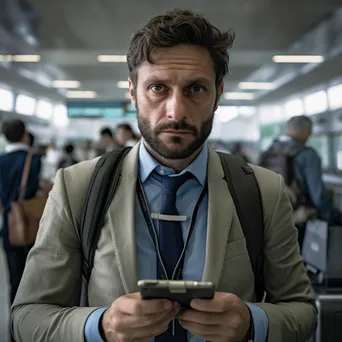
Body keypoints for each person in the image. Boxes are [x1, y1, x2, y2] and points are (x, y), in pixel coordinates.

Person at [11, 9, 317, 342]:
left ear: (218, 94)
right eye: (158, 88)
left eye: (196, 89)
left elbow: (302, 309)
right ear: (132, 93)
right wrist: (100, 326)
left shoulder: (262, 192)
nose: (176, 111)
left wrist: (253, 322)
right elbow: (27, 317)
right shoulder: (78, 188)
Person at [260, 115, 342, 247]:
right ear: (305, 131)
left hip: (270, 218)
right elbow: (319, 196)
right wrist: (332, 220)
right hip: (300, 220)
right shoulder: (307, 154)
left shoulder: (270, 150)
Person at [0, 120, 41, 307]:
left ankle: (13, 326)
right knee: (34, 279)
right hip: (33, 223)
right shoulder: (34, 159)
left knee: (14, 278)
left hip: (9, 226)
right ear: (25, 133)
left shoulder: (1, 160)